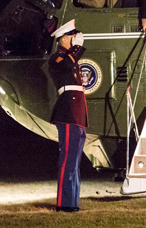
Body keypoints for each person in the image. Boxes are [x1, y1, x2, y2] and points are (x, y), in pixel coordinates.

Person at [48, 19, 88, 212]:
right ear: (63, 38)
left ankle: (72, 202)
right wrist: (76, 49)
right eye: (72, 36)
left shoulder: (70, 58)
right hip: (67, 112)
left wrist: (76, 51)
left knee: (75, 161)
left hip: (77, 112)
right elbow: (65, 66)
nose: (75, 39)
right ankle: (64, 203)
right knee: (67, 161)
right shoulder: (57, 58)